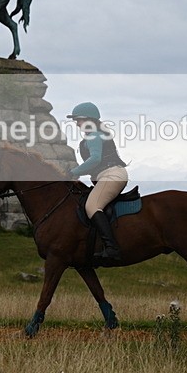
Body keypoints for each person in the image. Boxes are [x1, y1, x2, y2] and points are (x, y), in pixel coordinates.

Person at [67, 102, 127, 261]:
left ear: (88, 119)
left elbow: (95, 159)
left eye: (78, 120)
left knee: (92, 206)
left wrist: (73, 172)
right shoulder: (92, 136)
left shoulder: (94, 134)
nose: (77, 124)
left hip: (112, 174)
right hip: (106, 175)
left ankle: (112, 249)